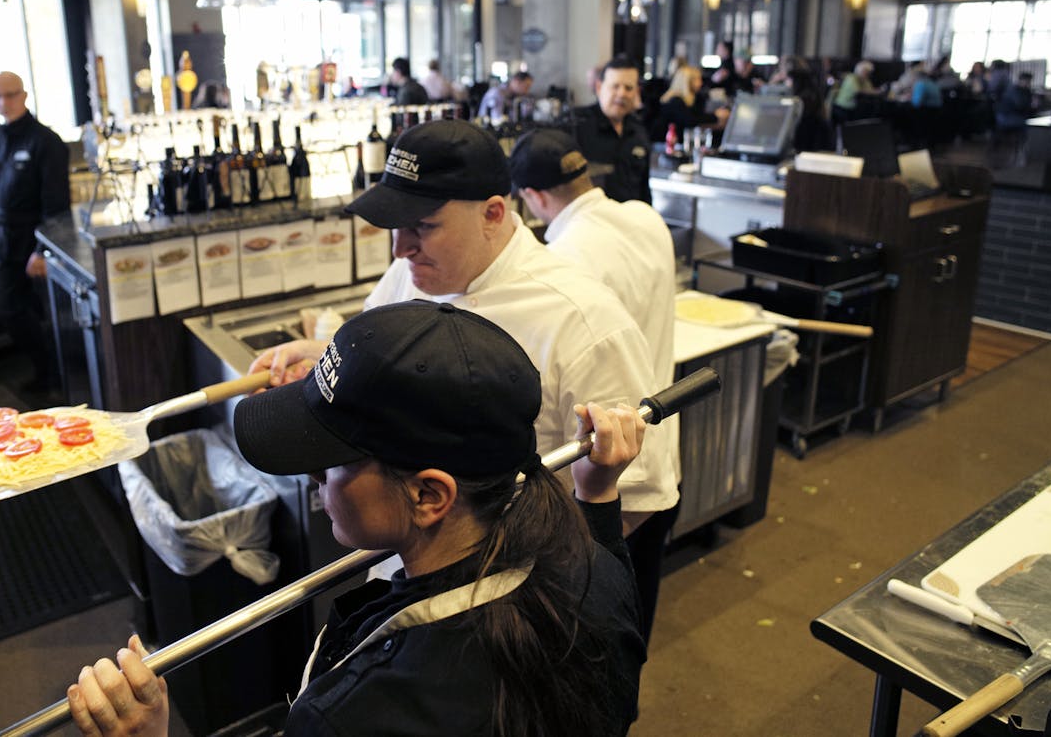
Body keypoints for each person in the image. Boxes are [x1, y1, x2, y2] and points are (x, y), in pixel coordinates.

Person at [66, 301, 648, 737]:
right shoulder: (592, 567)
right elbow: (607, 577)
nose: (312, 477)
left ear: (429, 496)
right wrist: (596, 493)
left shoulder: (355, 714)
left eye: (332, 462)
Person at [249, 121, 675, 557]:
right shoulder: (413, 273)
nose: (400, 249)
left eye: (423, 226)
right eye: (395, 227)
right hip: (402, 569)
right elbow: (383, 364)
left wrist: (522, 582)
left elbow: (638, 499)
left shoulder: (582, 322)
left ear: (492, 213)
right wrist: (324, 357)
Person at [508, 128, 679, 648]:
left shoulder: (566, 256)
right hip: (660, 458)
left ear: (532, 198)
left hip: (609, 485)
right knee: (636, 615)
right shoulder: (645, 218)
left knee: (599, 632)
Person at [0, 71, 70, 395]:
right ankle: (44, 371)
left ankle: (56, 381)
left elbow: (57, 205)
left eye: (9, 95)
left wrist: (43, 250)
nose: (3, 102)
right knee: (7, 308)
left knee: (47, 316)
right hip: (6, 239)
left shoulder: (45, 141)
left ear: (24, 95)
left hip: (35, 239)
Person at [572, 55, 654, 206]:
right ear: (599, 87)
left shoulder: (639, 132)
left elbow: (644, 190)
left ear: (637, 91)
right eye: (615, 86)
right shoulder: (577, 126)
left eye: (628, 88)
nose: (621, 94)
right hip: (591, 223)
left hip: (629, 223)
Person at [650, 65, 729, 142]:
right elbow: (690, 120)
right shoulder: (675, 101)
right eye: (697, 79)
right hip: (664, 145)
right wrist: (716, 115)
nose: (700, 83)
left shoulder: (689, 100)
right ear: (687, 81)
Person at [830, 60, 878, 127]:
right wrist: (877, 91)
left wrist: (875, 91)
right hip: (843, 107)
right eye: (865, 71)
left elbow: (870, 90)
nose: (867, 74)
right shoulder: (851, 77)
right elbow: (858, 91)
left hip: (855, 108)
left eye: (868, 72)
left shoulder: (865, 80)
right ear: (859, 70)